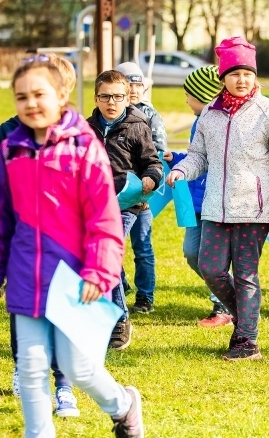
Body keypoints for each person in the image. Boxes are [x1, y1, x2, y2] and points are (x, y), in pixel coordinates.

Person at [0, 56, 145, 437]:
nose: (30, 103)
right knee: (31, 369)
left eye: (39, 94)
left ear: (62, 94)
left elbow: (104, 218)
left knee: (77, 366)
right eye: (21, 96)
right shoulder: (9, 151)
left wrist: (99, 271)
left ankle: (124, 405)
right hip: (25, 282)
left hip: (74, 281)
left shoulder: (84, 147)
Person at [166, 36, 269, 361]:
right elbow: (198, 155)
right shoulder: (209, 116)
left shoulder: (268, 112)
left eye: (247, 74)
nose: (242, 80)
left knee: (245, 274)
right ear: (223, 77)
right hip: (216, 207)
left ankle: (247, 342)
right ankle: (247, 319)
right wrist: (182, 170)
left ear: (254, 75)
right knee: (210, 268)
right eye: (235, 74)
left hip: (254, 209)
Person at [0, 53, 82, 415]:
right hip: (23, 245)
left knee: (62, 315)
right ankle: (25, 370)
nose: (35, 103)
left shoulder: (79, 137)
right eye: (27, 94)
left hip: (65, 246)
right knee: (23, 310)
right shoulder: (7, 135)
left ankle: (65, 384)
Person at [86, 69, 163, 348]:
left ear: (127, 98)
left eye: (118, 97)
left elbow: (152, 162)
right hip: (93, 205)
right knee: (98, 258)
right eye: (105, 96)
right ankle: (99, 313)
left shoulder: (137, 125)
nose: (111, 102)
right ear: (96, 98)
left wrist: (150, 178)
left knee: (107, 255)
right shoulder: (86, 129)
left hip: (126, 204)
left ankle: (119, 320)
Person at [164, 65, 234, 327]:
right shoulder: (198, 122)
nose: (185, 100)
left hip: (213, 202)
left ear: (203, 96)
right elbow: (199, 157)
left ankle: (225, 305)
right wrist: (179, 159)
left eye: (189, 95)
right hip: (193, 202)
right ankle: (231, 294)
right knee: (192, 253)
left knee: (210, 258)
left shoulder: (219, 122)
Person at [115, 62, 167, 316]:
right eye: (129, 84)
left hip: (143, 196)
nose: (134, 89)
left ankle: (145, 297)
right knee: (113, 246)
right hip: (117, 197)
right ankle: (120, 285)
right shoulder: (111, 115)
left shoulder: (150, 116)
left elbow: (156, 157)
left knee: (142, 247)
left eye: (138, 84)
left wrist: (148, 192)